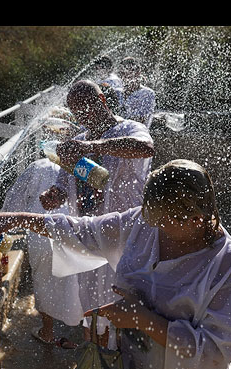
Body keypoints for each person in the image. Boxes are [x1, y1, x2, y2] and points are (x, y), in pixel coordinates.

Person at [0, 159, 231, 369]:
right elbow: (81, 231)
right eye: (153, 217)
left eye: (166, 220)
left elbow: (214, 352)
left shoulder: (227, 264)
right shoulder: (143, 223)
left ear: (197, 218)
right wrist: (17, 219)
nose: (156, 227)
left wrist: (141, 319)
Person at [40, 79, 155, 345]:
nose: (82, 116)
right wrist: (52, 197)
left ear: (101, 102)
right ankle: (96, 365)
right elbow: (62, 185)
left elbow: (146, 147)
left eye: (86, 108)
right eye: (76, 111)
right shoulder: (77, 142)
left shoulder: (129, 128)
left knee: (126, 308)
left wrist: (93, 147)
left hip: (127, 238)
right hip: (90, 239)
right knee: (91, 309)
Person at [1, 159, 83, 348]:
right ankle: (86, 336)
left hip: (41, 232)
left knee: (44, 281)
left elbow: (15, 199)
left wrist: (5, 224)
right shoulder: (83, 166)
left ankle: (47, 331)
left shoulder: (38, 166)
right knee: (78, 283)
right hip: (74, 231)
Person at [115, 56, 156, 128]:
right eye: (122, 72)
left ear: (138, 73)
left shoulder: (147, 93)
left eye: (130, 70)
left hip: (137, 133)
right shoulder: (117, 92)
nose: (126, 74)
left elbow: (142, 120)